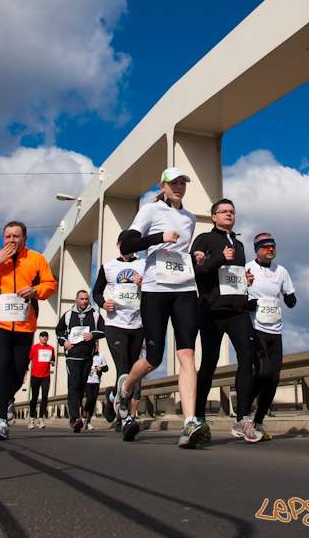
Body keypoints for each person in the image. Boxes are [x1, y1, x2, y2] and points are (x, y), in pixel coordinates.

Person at [115, 167, 209, 449]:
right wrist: (158, 237)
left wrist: (195, 256)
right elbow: (128, 244)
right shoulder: (150, 210)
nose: (179, 186)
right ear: (163, 186)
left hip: (183, 288)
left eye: (183, 182)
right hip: (155, 289)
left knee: (188, 353)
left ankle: (190, 421)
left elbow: (179, 254)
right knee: (153, 358)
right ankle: (125, 387)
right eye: (174, 183)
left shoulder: (190, 218)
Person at [0, 221, 57, 440]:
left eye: (16, 236)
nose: (11, 240)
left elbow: (50, 284)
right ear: (3, 239)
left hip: (24, 325)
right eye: (8, 236)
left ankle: (5, 397)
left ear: (24, 239)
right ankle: (0, 421)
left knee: (18, 374)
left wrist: (35, 291)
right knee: (2, 368)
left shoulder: (36, 259)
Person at [191, 199, 261, 442]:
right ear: (213, 217)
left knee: (247, 357)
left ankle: (242, 417)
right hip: (212, 309)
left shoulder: (240, 245)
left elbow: (232, 275)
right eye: (223, 212)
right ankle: (197, 418)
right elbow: (197, 272)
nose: (229, 215)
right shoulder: (204, 240)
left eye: (232, 211)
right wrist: (220, 257)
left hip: (238, 309)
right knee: (209, 363)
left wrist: (245, 279)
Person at [92, 231, 145, 441]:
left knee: (132, 372)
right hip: (114, 325)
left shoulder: (143, 265)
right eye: (126, 242)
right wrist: (103, 303)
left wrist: (144, 284)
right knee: (123, 367)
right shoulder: (108, 267)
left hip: (138, 325)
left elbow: (154, 292)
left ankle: (113, 396)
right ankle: (124, 418)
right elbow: (97, 291)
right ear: (118, 244)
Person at [246, 233, 296, 440]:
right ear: (257, 250)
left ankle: (258, 421)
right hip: (255, 329)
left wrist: (290, 297)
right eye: (265, 247)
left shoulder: (281, 271)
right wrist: (252, 301)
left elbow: (290, 297)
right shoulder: (248, 269)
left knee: (274, 379)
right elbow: (238, 297)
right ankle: (243, 409)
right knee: (264, 373)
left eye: (272, 246)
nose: (270, 249)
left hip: (276, 330)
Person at [56, 290, 105, 432]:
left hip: (87, 355)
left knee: (82, 384)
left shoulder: (95, 315)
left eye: (86, 299)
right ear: (76, 299)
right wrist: (64, 342)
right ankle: (74, 417)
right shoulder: (68, 315)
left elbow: (104, 330)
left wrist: (93, 335)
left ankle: (78, 415)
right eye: (81, 299)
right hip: (72, 355)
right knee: (74, 383)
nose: (84, 301)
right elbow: (59, 331)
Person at [25, 331, 56, 429]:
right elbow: (28, 359)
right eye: (43, 337)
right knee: (34, 397)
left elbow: (53, 359)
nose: (45, 338)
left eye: (46, 337)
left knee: (45, 396)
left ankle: (41, 418)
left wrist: (52, 362)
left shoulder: (51, 348)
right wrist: (25, 372)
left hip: (46, 375)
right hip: (35, 375)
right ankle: (31, 418)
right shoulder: (34, 348)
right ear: (39, 338)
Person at [84, 342, 109, 430]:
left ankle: (89, 421)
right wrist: (87, 369)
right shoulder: (86, 355)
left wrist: (101, 368)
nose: (96, 347)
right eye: (94, 345)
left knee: (93, 401)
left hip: (96, 381)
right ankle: (84, 416)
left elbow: (106, 368)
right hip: (87, 381)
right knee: (89, 399)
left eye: (97, 345)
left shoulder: (101, 356)